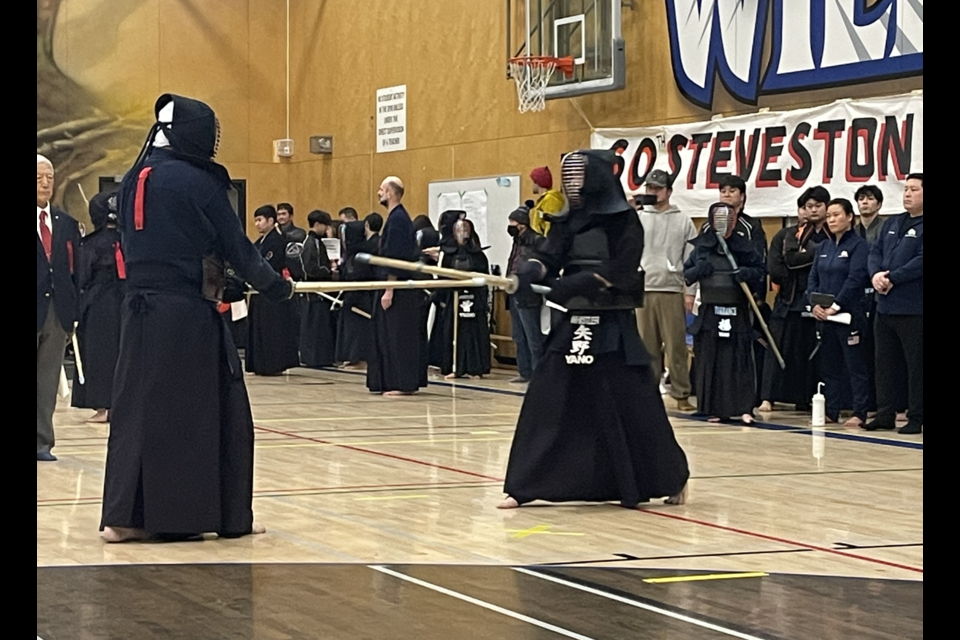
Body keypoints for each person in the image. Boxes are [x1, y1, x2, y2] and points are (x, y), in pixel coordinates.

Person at [100, 94, 294, 542]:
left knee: (136, 412)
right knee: (208, 414)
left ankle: (124, 517)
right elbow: (238, 247)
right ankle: (214, 517)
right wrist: (277, 287)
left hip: (139, 314)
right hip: (185, 319)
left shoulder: (133, 177)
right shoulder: (197, 182)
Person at [500, 149, 689, 509]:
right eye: (567, 177)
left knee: (638, 406)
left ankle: (671, 477)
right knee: (547, 398)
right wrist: (529, 272)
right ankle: (524, 485)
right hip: (573, 323)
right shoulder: (566, 220)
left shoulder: (625, 222)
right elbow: (548, 256)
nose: (572, 185)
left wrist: (578, 283)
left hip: (612, 325)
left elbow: (620, 272)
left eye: (579, 177)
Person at [685, 202, 766, 424]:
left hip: (737, 309)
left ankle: (744, 408)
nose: (724, 223)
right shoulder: (703, 247)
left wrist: (745, 273)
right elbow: (687, 273)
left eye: (728, 218)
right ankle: (712, 408)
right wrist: (698, 270)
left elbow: (761, 271)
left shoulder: (744, 246)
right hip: (710, 309)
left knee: (738, 360)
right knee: (711, 359)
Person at [760, 187, 829, 412]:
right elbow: (780, 266)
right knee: (777, 348)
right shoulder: (787, 235)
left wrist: (804, 259)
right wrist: (810, 258)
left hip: (819, 300)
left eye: (818, 205)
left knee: (809, 352)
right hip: (788, 300)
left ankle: (806, 398)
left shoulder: (831, 236)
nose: (812, 210)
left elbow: (825, 266)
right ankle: (768, 397)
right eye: (808, 206)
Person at [865, 174, 923, 435]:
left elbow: (920, 261)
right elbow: (875, 252)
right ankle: (885, 412)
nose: (907, 193)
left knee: (915, 365)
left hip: (913, 307)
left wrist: (893, 277)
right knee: (884, 363)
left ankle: (916, 415)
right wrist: (876, 274)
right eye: (906, 188)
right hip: (885, 305)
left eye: (914, 189)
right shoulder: (893, 222)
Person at [634, 169, 697, 411]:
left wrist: (690, 291)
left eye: (658, 188)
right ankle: (647, 394)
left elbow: (690, 259)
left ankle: (681, 394)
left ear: (669, 191)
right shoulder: (638, 217)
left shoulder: (683, 220)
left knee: (676, 346)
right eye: (650, 188)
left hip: (671, 290)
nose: (653, 192)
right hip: (643, 290)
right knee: (646, 347)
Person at [807, 198, 871, 427]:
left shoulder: (859, 246)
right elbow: (813, 278)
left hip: (848, 315)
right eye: (829, 216)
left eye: (836, 215)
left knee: (855, 366)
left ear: (849, 217)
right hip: (825, 318)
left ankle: (860, 411)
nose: (832, 220)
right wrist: (814, 303)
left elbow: (855, 279)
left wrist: (837, 305)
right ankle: (832, 411)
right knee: (829, 366)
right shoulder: (823, 247)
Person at [366, 176, 428, 396]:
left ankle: (402, 384)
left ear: (391, 193)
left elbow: (395, 258)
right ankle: (390, 380)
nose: (379, 192)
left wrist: (389, 289)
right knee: (388, 335)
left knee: (397, 337)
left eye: (382, 189)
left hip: (398, 288)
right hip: (393, 285)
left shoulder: (398, 219)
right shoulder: (394, 218)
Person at [37, 154, 80, 462]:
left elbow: (74, 270)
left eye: (49, 177)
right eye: (39, 177)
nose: (45, 183)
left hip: (56, 312)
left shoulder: (65, 223)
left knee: (47, 379)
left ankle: (42, 442)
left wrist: (72, 313)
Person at [71, 192, 125, 423]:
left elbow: (82, 275)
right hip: (128, 302)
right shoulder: (129, 239)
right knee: (123, 351)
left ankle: (102, 408)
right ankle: (121, 405)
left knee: (99, 353)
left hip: (100, 304)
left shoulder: (92, 243)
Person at [245, 205, 300, 376]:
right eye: (255, 220)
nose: (257, 224)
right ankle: (260, 364)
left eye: (260, 220)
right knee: (259, 328)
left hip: (272, 291)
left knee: (272, 329)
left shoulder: (278, 241)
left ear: (270, 221)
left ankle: (273, 364)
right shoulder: (259, 242)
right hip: (258, 291)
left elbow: (271, 266)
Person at [436, 218, 491, 379]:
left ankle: (475, 367)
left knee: (473, 333)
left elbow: (484, 277)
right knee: (454, 333)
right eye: (458, 231)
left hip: (473, 301)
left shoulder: (478, 255)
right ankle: (454, 366)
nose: (462, 234)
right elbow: (442, 277)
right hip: (453, 300)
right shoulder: (448, 255)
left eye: (465, 230)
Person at [505, 205, 546, 383]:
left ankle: (538, 373)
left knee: (533, 337)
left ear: (521, 224)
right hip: (513, 290)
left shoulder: (537, 241)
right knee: (519, 336)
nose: (510, 225)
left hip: (529, 294)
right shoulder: (517, 242)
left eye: (512, 222)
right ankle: (524, 371)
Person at [297, 209, 337, 368]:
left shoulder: (318, 243)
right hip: (313, 294)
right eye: (325, 225)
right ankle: (313, 358)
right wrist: (329, 273)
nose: (327, 229)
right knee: (314, 326)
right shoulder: (310, 243)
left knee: (320, 326)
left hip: (319, 293)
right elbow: (309, 268)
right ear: (318, 225)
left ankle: (321, 357)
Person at [335, 220, 376, 367]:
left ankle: (358, 357)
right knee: (351, 328)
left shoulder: (362, 255)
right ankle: (351, 356)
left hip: (360, 298)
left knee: (358, 329)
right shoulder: (351, 255)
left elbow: (359, 276)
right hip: (351, 297)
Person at [529, 166, 565, 237]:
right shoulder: (543, 200)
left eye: (533, 182)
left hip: (545, 243)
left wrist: (545, 244)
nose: (532, 185)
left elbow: (550, 225)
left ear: (538, 182)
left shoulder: (551, 199)